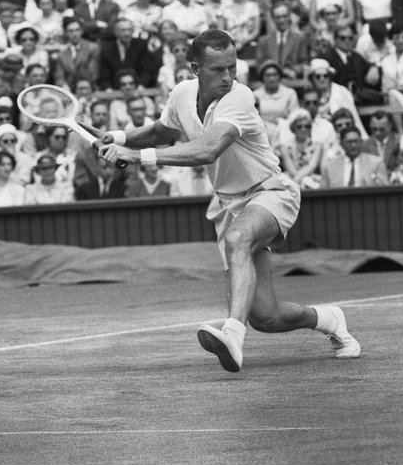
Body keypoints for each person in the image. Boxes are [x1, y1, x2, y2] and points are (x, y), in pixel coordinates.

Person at [99, 29, 361, 373]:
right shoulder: (181, 95)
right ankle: (329, 320)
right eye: (217, 70)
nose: (227, 77)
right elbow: (162, 131)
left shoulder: (240, 97)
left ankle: (233, 334)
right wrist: (118, 137)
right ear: (195, 68)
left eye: (232, 67)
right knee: (267, 316)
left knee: (239, 239)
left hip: (270, 193)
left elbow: (207, 149)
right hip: (229, 205)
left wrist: (135, 156)